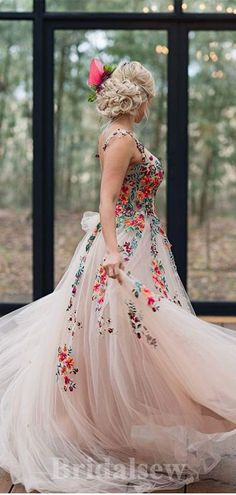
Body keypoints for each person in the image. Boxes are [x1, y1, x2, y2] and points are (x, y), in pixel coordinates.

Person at [0, 58, 236, 494]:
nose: (149, 107)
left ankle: (134, 420)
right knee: (146, 331)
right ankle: (185, 409)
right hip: (123, 244)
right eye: (148, 99)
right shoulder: (122, 138)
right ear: (138, 99)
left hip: (135, 240)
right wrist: (113, 252)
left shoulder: (116, 135)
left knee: (128, 336)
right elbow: (107, 200)